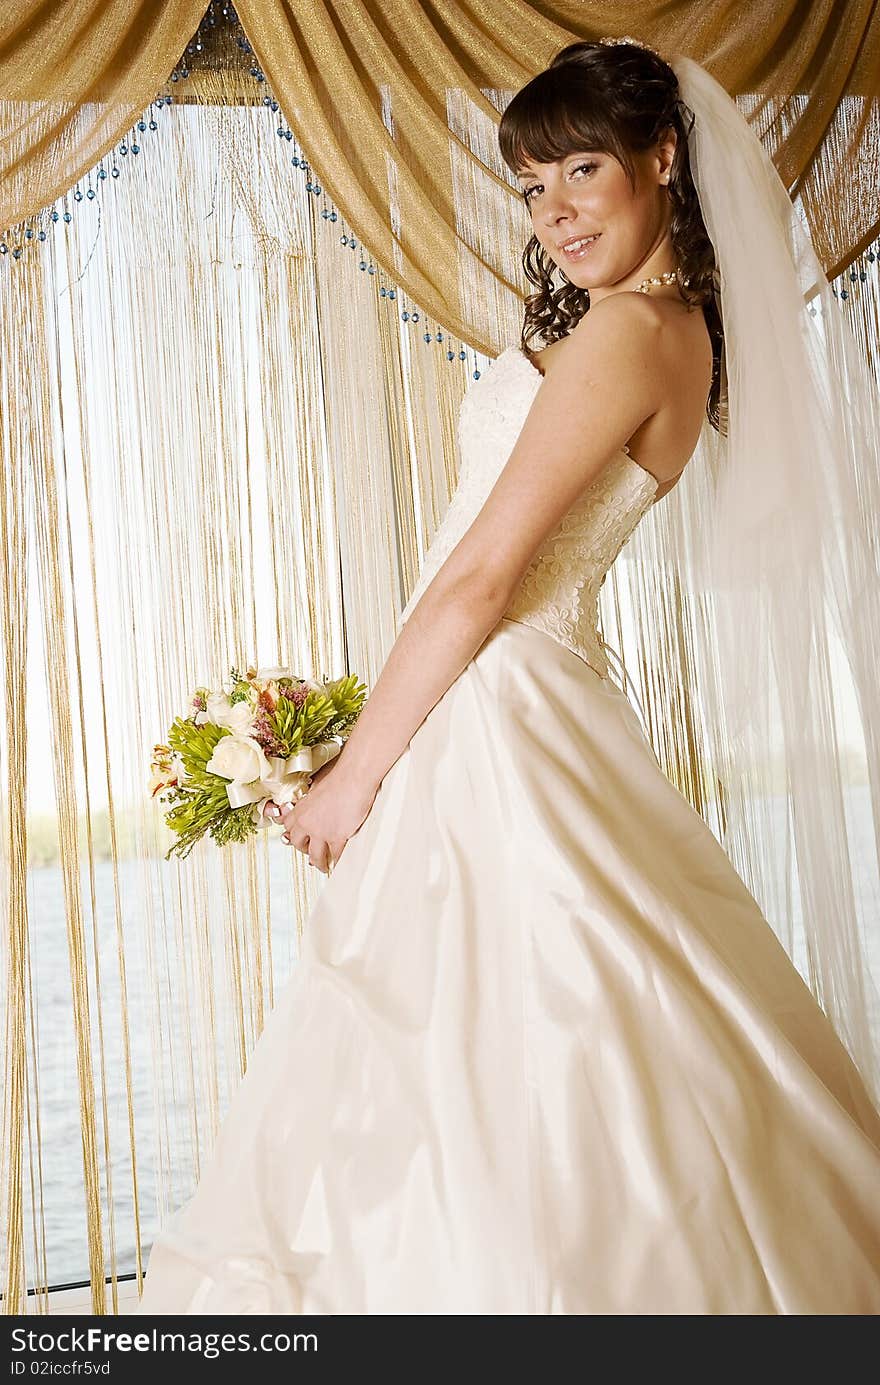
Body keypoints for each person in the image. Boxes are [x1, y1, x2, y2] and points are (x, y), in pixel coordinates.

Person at [135, 39, 880, 1315]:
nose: (554, 212)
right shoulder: (670, 330)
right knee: (543, 1034)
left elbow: (483, 575)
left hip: (506, 706)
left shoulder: (630, 332)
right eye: (533, 187)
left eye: (582, 168)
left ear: (662, 157)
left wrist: (355, 779)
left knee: (498, 1041)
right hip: (510, 702)